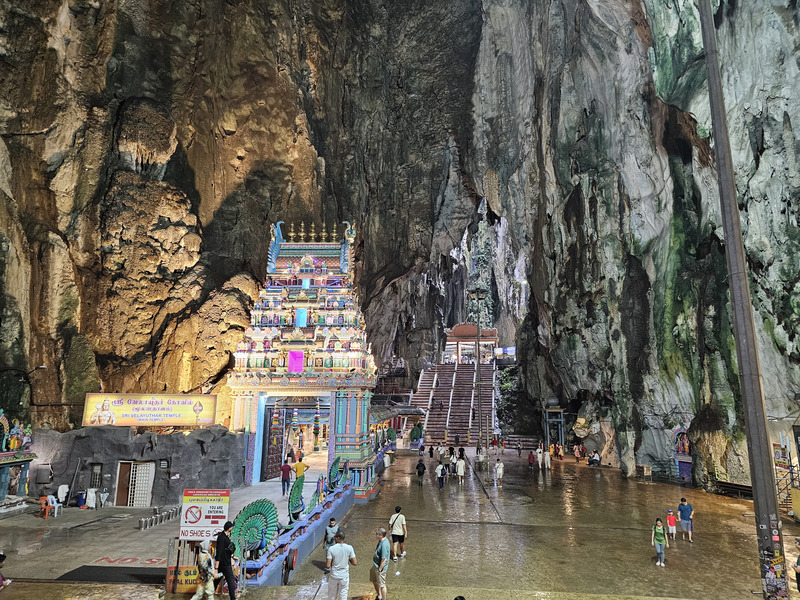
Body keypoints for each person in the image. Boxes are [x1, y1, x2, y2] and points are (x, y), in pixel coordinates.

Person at [326, 530, 357, 600]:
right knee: (343, 595)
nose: (334, 538)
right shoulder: (349, 548)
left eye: (335, 537)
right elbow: (355, 563)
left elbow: (328, 565)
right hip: (344, 576)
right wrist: (348, 558)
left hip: (334, 575)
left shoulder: (331, 549)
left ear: (338, 538)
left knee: (332, 595)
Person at [214, 521, 237, 600]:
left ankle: (209, 593)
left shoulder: (225, 537)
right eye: (231, 527)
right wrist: (216, 568)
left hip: (224, 563)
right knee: (231, 581)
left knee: (217, 580)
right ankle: (233, 598)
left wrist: (232, 556)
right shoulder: (221, 538)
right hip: (224, 564)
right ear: (229, 528)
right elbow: (219, 552)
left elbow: (226, 550)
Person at [370, 527, 390, 600]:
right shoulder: (381, 541)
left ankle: (383, 598)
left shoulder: (384, 544)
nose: (376, 535)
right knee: (374, 580)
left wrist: (380, 569)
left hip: (380, 568)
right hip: (376, 565)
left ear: (381, 535)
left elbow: (384, 559)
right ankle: (379, 595)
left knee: (382, 585)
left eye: (377, 534)